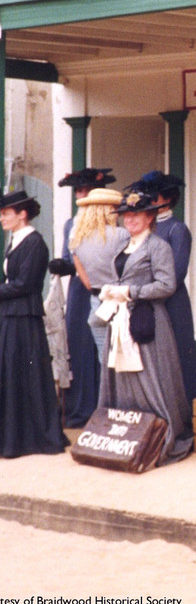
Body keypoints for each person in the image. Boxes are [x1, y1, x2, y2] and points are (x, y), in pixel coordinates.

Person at [98, 190, 194, 466]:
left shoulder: (158, 246)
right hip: (120, 318)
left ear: (150, 216)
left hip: (146, 320)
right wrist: (112, 291)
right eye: (127, 215)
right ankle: (124, 437)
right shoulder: (122, 246)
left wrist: (130, 291)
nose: (130, 220)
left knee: (150, 376)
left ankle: (159, 435)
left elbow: (167, 285)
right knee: (123, 377)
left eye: (136, 215)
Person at [0, 190, 68, 458]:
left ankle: (30, 438)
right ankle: (11, 436)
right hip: (9, 315)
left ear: (22, 214)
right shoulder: (15, 240)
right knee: (9, 373)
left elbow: (25, 284)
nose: (2, 218)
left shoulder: (35, 243)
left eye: (6, 213)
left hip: (24, 318)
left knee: (23, 374)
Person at [49, 167, 118, 428]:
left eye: (87, 190)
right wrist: (63, 266)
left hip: (104, 290)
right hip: (79, 291)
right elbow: (71, 259)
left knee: (102, 347)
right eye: (78, 191)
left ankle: (104, 407)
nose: (82, 195)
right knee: (78, 346)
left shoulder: (109, 223)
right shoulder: (70, 224)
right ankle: (78, 408)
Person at [126, 171, 196, 405]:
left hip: (172, 302)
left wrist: (149, 289)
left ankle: (186, 411)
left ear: (163, 199)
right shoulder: (146, 229)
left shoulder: (177, 229)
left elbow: (177, 273)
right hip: (148, 301)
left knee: (178, 355)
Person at [62, 187, 131, 428]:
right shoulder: (122, 235)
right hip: (121, 303)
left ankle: (108, 415)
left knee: (105, 363)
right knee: (126, 362)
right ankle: (127, 413)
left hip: (96, 303)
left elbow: (87, 281)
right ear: (109, 210)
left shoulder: (77, 240)